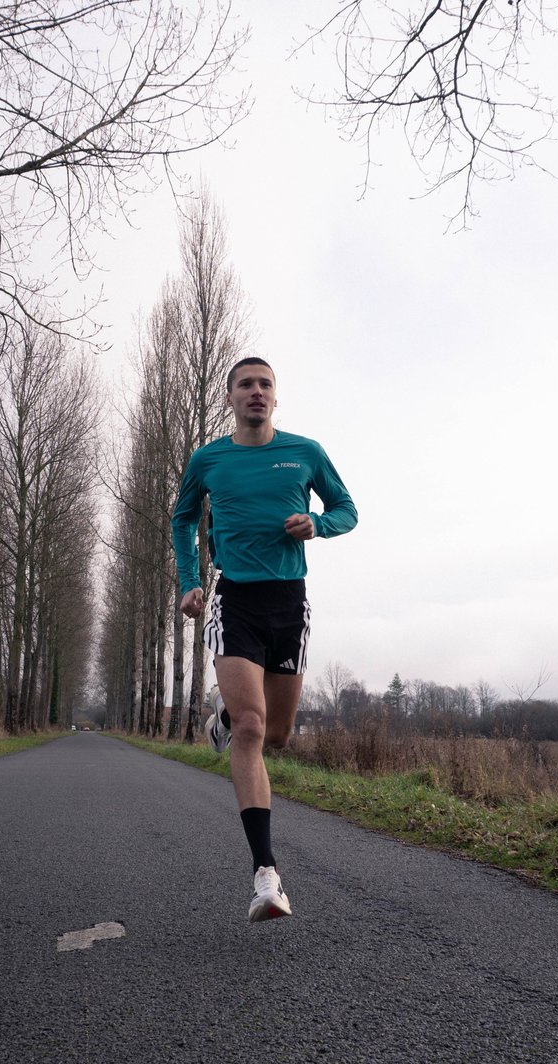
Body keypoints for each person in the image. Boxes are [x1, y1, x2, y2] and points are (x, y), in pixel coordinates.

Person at [170, 356, 358, 923]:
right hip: (234, 599)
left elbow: (347, 509)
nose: (256, 392)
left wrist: (317, 524)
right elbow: (182, 518)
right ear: (230, 397)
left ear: (276, 398)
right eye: (245, 384)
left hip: (288, 602)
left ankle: (223, 721)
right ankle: (266, 876)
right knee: (254, 728)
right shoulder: (209, 459)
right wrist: (191, 581)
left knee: (276, 733)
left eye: (265, 385)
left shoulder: (305, 452)